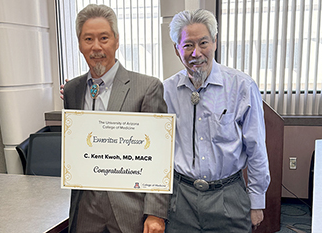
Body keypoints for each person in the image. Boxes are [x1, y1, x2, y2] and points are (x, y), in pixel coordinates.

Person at [62, 4, 169, 233]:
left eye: (104, 38)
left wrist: (156, 213)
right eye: (88, 39)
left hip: (130, 210)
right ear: (80, 44)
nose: (96, 47)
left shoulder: (147, 88)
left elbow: (159, 156)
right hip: (86, 210)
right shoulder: (72, 90)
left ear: (117, 41)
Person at [163, 9, 270, 232]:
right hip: (181, 198)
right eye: (188, 45)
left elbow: (257, 148)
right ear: (176, 49)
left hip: (228, 195)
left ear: (215, 42)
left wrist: (257, 201)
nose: (196, 53)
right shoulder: (166, 91)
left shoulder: (241, 87)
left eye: (203, 43)